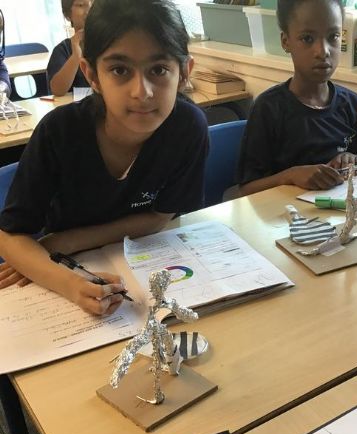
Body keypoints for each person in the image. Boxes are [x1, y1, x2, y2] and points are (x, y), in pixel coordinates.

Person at [0, 0, 208, 316]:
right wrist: (70, 283)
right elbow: (10, 235)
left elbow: (161, 216)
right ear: (92, 75)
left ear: (184, 73)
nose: (142, 92)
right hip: (67, 271)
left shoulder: (187, 127)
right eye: (120, 70)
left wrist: (65, 241)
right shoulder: (60, 132)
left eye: (159, 70)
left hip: (139, 259)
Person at [236, 0, 357, 196]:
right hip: (283, 212)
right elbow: (246, 189)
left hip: (338, 209)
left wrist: (351, 159)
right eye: (307, 38)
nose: (323, 51)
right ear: (286, 42)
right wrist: (290, 176)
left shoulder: (352, 105)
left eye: (333, 36)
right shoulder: (269, 108)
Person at [47, 0, 92, 96]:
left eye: (93, 3)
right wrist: (76, 56)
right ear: (67, 15)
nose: (89, 10)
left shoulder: (111, 44)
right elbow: (57, 90)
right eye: (81, 5)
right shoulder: (63, 49)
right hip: (79, 104)